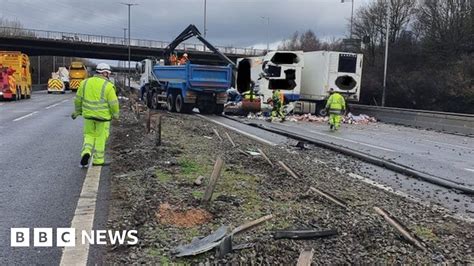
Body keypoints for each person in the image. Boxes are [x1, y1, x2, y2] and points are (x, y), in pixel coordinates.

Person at [71, 63, 119, 166]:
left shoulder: (84, 83)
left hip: (88, 116)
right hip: (103, 118)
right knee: (100, 138)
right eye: (108, 73)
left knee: (88, 136)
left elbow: (78, 100)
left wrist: (78, 111)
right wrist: (115, 115)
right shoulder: (108, 86)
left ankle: (86, 152)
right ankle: (98, 160)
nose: (108, 75)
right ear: (104, 73)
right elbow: (113, 103)